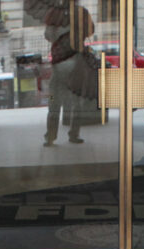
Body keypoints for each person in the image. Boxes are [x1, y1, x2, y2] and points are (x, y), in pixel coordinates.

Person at [42, 4, 94, 146]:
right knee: (77, 102)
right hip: (76, 63)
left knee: (53, 101)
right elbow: (90, 31)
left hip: (59, 64)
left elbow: (48, 35)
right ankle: (74, 134)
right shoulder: (82, 12)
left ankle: (50, 136)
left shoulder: (53, 13)